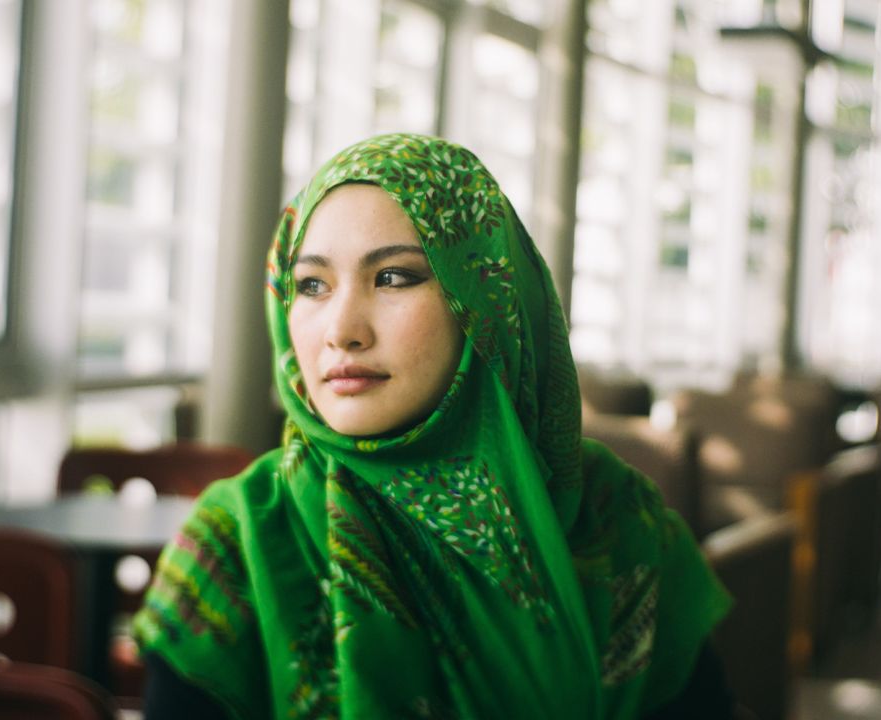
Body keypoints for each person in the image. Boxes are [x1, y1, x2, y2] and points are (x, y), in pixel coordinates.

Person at [135, 133, 734, 719]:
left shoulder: (620, 520)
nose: (342, 329)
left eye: (394, 277)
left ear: (487, 299)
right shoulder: (238, 542)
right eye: (311, 285)